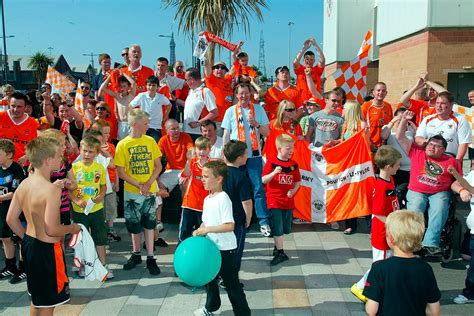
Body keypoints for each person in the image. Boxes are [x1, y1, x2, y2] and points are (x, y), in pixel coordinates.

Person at [6, 136, 81, 315]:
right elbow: (52, 229)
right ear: (48, 161)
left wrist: (26, 238)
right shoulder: (51, 190)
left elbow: (11, 219)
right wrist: (73, 228)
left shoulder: (25, 183)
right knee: (48, 303)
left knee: (37, 297)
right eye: (58, 155)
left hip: (30, 246)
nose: (61, 158)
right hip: (48, 250)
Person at [397, 110, 461, 255]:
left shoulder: (451, 161)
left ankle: (431, 243)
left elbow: (458, 180)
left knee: (440, 207)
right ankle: (413, 241)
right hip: (417, 189)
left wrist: (462, 190)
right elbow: (400, 137)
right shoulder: (417, 152)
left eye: (437, 146)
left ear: (444, 149)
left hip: (439, 191)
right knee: (416, 207)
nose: (432, 147)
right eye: (430, 144)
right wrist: (403, 120)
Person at [193, 160, 251, 316]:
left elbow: (229, 225)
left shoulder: (223, 198)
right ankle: (212, 308)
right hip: (212, 248)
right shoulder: (207, 198)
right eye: (202, 176)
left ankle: (243, 313)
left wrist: (207, 229)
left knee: (232, 285)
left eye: (206, 176)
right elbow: (206, 220)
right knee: (210, 281)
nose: (202, 179)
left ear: (218, 179)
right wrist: (200, 230)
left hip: (226, 250)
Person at [363, 210, 441, 315]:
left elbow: (371, 310)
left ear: (390, 239)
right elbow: (434, 311)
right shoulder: (425, 268)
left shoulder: (379, 268)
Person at [351, 145, 401, 302]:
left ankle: (368, 287)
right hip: (382, 233)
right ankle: (361, 287)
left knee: (382, 263)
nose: (399, 167)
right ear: (388, 166)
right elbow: (378, 213)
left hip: (389, 230)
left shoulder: (390, 179)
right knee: (379, 265)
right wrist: (393, 225)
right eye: (397, 164)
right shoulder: (380, 186)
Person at [115, 109, 162, 275]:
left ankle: (150, 256)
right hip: (132, 191)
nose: (148, 126)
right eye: (145, 123)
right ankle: (136, 254)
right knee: (134, 225)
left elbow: (158, 166)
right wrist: (138, 184)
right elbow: (121, 172)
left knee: (149, 223)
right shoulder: (122, 144)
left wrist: (148, 183)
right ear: (135, 124)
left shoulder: (150, 141)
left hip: (149, 190)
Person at [222, 83, 272, 237]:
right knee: (233, 189)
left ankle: (263, 222)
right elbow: (226, 134)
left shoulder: (258, 109)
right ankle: (234, 220)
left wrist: (255, 124)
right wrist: (225, 155)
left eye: (246, 93)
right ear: (236, 95)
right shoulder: (230, 111)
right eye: (240, 93)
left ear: (250, 93)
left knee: (258, 189)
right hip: (235, 159)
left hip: (254, 156)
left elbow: (267, 133)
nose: (243, 96)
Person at [70, 135, 112, 278]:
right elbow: (66, 191)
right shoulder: (74, 168)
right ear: (80, 150)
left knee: (100, 236)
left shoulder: (99, 167)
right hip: (79, 211)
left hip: (96, 209)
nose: (87, 154)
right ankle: (82, 265)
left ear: (97, 153)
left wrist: (101, 195)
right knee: (82, 238)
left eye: (91, 151)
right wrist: (76, 200)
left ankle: (102, 265)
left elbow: (103, 186)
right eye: (84, 151)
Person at [262, 134, 301, 266]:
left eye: (292, 148)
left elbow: (298, 182)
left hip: (288, 202)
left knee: (285, 229)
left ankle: (277, 246)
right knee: (277, 228)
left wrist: (293, 191)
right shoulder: (272, 162)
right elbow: (263, 180)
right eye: (288, 148)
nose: (291, 151)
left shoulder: (294, 165)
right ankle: (280, 252)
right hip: (274, 201)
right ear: (279, 149)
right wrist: (274, 173)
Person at [156, 119, 194, 244]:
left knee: (186, 185)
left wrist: (185, 172)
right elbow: (156, 158)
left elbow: (191, 153)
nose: (177, 130)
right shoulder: (163, 140)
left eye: (178, 127)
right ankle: (158, 221)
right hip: (170, 170)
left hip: (185, 168)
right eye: (173, 128)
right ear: (166, 131)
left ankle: (187, 218)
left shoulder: (185, 136)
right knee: (156, 186)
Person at [222, 140, 253, 271]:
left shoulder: (219, 174)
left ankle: (219, 275)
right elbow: (246, 201)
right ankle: (231, 279)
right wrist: (248, 218)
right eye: (246, 153)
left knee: (222, 249)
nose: (247, 156)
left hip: (220, 219)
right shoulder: (241, 176)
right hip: (236, 220)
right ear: (239, 158)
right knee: (235, 249)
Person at [415, 91, 471, 161]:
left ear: (451, 105)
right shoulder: (428, 119)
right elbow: (418, 138)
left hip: (450, 160)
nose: (439, 106)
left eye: (443, 103)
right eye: (437, 103)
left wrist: (457, 161)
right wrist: (427, 141)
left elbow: (463, 143)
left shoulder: (460, 119)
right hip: (429, 161)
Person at [340, 100, 369, 234]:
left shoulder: (361, 125)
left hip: (359, 165)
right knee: (348, 194)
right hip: (347, 165)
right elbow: (342, 143)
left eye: (345, 109)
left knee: (361, 194)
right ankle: (350, 223)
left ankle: (369, 222)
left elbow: (366, 145)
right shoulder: (345, 125)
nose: (342, 111)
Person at [0, 139, 26, 284]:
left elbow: (17, 191)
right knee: (4, 237)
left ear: (9, 155)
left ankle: (24, 268)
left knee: (20, 239)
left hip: (16, 209)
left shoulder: (16, 169)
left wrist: (1, 197)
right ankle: (10, 266)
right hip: (2, 210)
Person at [90, 120, 121, 242]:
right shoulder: (92, 149)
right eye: (104, 133)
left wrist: (117, 182)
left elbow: (115, 166)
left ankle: (111, 228)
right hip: (98, 183)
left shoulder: (112, 147)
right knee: (99, 206)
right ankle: (100, 228)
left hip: (111, 181)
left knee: (111, 206)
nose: (107, 136)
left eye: (109, 133)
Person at [448, 164, 474, 304]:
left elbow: (472, 189)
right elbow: (455, 185)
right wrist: (461, 188)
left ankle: (469, 294)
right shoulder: (472, 174)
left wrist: (456, 174)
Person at [179, 137, 211, 242]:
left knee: (202, 233)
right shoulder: (192, 162)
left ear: (209, 149)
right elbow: (186, 174)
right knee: (184, 232)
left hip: (204, 205)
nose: (201, 152)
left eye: (204, 149)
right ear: (195, 150)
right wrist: (188, 160)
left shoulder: (212, 165)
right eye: (199, 149)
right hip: (189, 203)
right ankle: (182, 252)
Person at [0, 92, 39, 166]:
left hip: (22, 165)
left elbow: (34, 145)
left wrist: (26, 157)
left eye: (19, 106)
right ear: (9, 105)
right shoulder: (1, 117)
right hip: (2, 164)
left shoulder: (32, 123)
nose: (15, 109)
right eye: (13, 106)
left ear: (25, 107)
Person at [129, 75, 171, 142]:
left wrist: (165, 117)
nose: (151, 87)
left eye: (154, 85)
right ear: (146, 86)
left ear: (157, 87)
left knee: (154, 146)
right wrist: (137, 117)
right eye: (149, 85)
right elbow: (130, 106)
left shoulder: (161, 97)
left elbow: (169, 105)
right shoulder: (141, 96)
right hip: (142, 126)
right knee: (143, 146)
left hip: (156, 127)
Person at [98, 69, 136, 140]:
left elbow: (133, 83)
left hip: (131, 124)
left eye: (124, 86)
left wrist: (123, 74)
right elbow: (103, 88)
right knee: (121, 143)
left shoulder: (131, 95)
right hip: (121, 124)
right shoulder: (117, 96)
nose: (122, 88)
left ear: (128, 87)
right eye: (120, 86)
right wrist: (110, 76)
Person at [183, 68, 218, 141]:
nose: (186, 82)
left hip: (199, 134)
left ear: (191, 79)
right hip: (187, 132)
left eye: (186, 80)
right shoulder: (190, 92)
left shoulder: (205, 91)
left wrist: (198, 123)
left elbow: (214, 113)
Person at [361, 82, 393, 152]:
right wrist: (370, 143)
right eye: (378, 90)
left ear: (386, 93)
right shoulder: (365, 107)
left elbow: (390, 125)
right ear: (373, 92)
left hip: (384, 146)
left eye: (383, 91)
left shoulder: (388, 106)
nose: (381, 92)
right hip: (370, 146)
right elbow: (362, 129)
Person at [204, 59, 233, 130]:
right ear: (213, 70)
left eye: (223, 68)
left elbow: (234, 67)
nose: (220, 69)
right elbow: (207, 67)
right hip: (214, 122)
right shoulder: (211, 80)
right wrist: (205, 58)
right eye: (217, 67)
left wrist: (234, 55)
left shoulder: (228, 80)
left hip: (228, 121)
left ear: (225, 71)